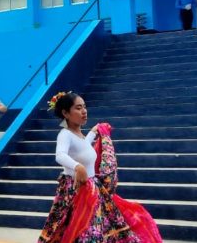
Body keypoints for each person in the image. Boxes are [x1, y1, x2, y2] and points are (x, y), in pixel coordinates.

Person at [38, 91, 160, 243]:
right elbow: (60, 155)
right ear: (65, 113)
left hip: (92, 190)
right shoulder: (65, 134)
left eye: (84, 107)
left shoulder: (80, 136)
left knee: (96, 230)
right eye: (78, 108)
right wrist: (78, 167)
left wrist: (94, 132)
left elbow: (83, 147)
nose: (84, 111)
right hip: (76, 192)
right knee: (84, 230)